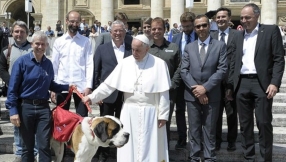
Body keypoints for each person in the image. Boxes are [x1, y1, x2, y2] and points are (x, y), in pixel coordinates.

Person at [83, 34, 171, 162]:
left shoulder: (159, 64)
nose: (134, 53)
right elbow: (108, 85)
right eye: (133, 49)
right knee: (129, 146)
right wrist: (92, 97)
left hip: (151, 112)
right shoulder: (125, 63)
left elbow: (163, 92)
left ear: (147, 49)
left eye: (138, 50)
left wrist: (163, 114)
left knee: (150, 145)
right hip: (129, 112)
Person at [226, 3, 285, 161]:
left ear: (257, 16)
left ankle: (266, 158)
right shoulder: (237, 35)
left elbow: (279, 59)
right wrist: (230, 87)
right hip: (241, 84)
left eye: (247, 17)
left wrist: (275, 83)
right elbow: (232, 62)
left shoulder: (271, 31)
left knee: (264, 122)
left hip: (262, 84)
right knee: (245, 125)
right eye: (242, 17)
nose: (244, 20)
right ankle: (249, 157)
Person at [6, 31, 72, 162]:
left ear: (47, 45)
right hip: (26, 108)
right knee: (27, 147)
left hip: (43, 108)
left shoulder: (48, 64)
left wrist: (67, 87)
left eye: (43, 44)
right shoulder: (21, 63)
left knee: (44, 146)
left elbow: (50, 84)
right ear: (32, 44)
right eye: (37, 44)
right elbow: (12, 89)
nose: (40, 47)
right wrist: (13, 111)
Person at [181, 14, 227, 161]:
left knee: (210, 129)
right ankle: (194, 157)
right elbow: (184, 70)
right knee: (194, 129)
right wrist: (198, 90)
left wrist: (205, 88)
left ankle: (209, 158)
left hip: (212, 95)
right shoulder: (189, 47)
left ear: (209, 25)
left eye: (204, 25)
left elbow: (222, 70)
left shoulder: (220, 46)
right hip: (192, 95)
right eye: (198, 26)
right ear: (194, 28)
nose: (201, 28)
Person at [93, 20, 132, 162]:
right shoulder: (102, 49)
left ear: (124, 32)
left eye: (120, 30)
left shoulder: (130, 49)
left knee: (123, 125)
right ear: (110, 33)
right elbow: (96, 72)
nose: (118, 33)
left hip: (125, 96)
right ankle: (103, 154)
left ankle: (121, 155)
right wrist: (98, 93)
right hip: (107, 96)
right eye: (115, 31)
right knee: (105, 128)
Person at [0, 21, 38, 162]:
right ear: (12, 33)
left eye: (22, 31)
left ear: (27, 33)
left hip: (30, 93)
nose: (19, 34)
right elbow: (2, 68)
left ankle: (33, 153)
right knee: (16, 124)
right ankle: (19, 153)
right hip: (14, 93)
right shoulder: (7, 50)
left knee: (32, 124)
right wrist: (12, 83)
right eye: (16, 31)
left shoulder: (33, 49)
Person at [51, 10, 93, 117]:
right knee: (62, 120)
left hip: (81, 86)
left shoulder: (86, 41)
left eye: (77, 22)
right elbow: (54, 65)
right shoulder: (59, 42)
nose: (74, 24)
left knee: (82, 119)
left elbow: (89, 64)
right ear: (66, 21)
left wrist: (89, 86)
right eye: (72, 21)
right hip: (62, 85)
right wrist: (53, 87)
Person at [148, 17, 181, 149]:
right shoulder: (146, 48)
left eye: (159, 29)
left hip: (168, 92)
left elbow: (180, 68)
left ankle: (164, 153)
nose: (156, 31)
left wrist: (172, 85)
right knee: (149, 123)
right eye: (154, 29)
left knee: (164, 123)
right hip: (149, 93)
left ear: (164, 29)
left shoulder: (173, 47)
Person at [210, 7, 239, 151]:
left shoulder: (237, 35)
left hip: (231, 81)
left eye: (223, 17)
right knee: (215, 113)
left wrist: (232, 83)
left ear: (229, 19)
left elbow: (238, 59)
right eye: (218, 17)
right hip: (215, 82)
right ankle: (217, 140)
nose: (220, 19)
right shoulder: (211, 36)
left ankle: (232, 140)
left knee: (231, 113)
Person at [171, 11, 197, 150]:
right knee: (180, 109)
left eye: (188, 26)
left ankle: (196, 138)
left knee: (195, 110)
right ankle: (182, 137)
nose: (186, 29)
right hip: (179, 79)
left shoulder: (199, 36)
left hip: (196, 79)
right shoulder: (175, 38)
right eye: (184, 26)